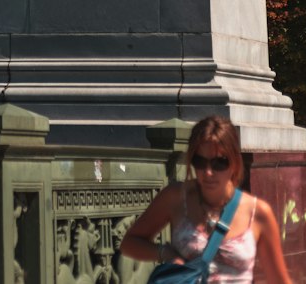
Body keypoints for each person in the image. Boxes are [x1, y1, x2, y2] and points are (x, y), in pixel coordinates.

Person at [118, 116, 293, 284]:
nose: (208, 172)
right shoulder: (176, 198)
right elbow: (130, 243)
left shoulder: (258, 213)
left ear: (235, 163)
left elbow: (279, 280)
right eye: (200, 162)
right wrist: (165, 253)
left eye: (219, 163)